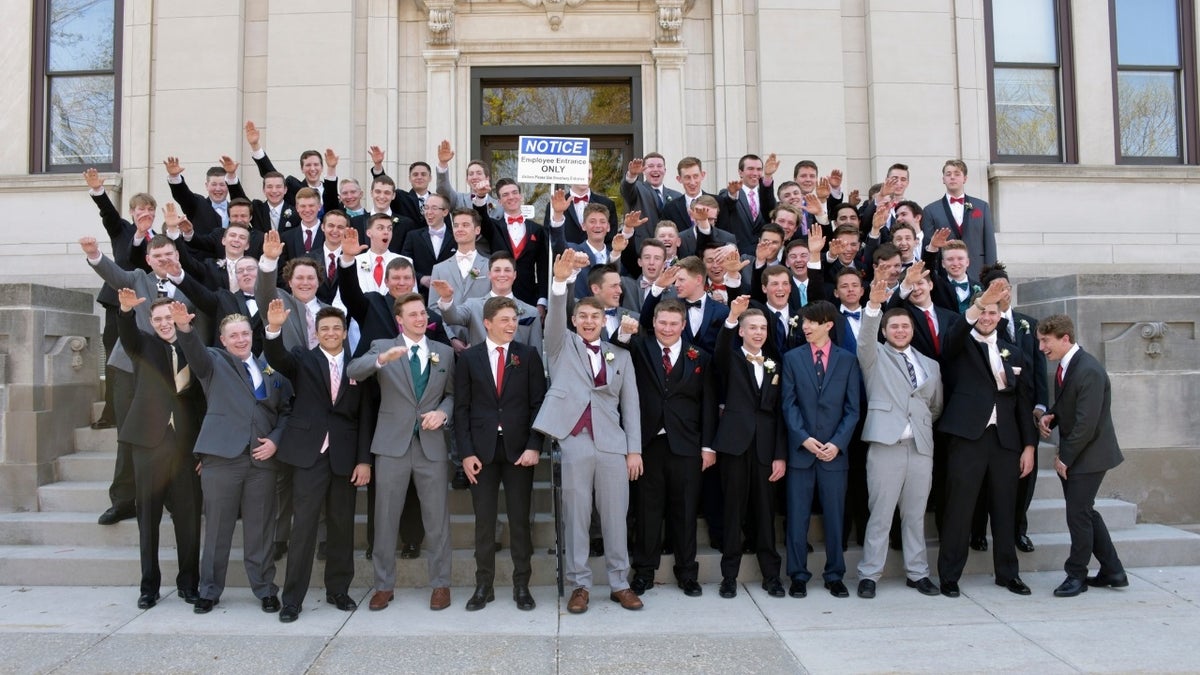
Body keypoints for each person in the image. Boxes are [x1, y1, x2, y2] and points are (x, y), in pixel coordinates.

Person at [533, 252, 644, 614]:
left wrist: (634, 450)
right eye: (582, 316)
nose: (588, 321)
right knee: (576, 515)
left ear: (603, 320)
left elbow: (631, 407)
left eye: (595, 316)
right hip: (574, 438)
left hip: (613, 442)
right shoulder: (561, 345)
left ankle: (619, 582)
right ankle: (579, 584)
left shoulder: (620, 356)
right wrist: (559, 285)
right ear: (574, 320)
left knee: (615, 515)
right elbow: (553, 323)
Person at [174, 308, 292, 614]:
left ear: (252, 336)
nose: (240, 340)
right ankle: (209, 590)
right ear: (223, 341)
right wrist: (185, 329)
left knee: (261, 528)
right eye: (233, 335)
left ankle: (265, 588)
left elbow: (286, 411)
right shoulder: (213, 361)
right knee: (217, 528)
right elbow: (194, 352)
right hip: (222, 458)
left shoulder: (271, 369)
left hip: (261, 461)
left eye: (245, 334)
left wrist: (276, 441)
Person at [263, 301, 371, 623]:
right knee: (305, 527)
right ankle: (293, 598)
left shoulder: (357, 367)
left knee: (341, 525)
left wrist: (364, 461)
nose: (331, 333)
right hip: (308, 455)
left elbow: (365, 417)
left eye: (336, 328)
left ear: (344, 332)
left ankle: (338, 589)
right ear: (316, 332)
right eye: (324, 328)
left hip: (344, 457)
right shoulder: (302, 359)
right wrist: (273, 330)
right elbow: (276, 357)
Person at [348, 293, 456, 612]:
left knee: (437, 520)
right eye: (413, 314)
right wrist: (380, 360)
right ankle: (383, 585)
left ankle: (441, 584)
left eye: (423, 313)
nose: (420, 319)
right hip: (392, 445)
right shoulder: (382, 347)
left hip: (431, 446)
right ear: (400, 319)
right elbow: (354, 371)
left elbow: (453, 395)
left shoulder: (445, 353)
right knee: (385, 518)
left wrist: (444, 413)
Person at [935, 280, 1037, 598]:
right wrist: (976, 306)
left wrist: (1029, 446)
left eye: (992, 312)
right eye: (982, 311)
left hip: (1005, 441)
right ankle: (950, 575)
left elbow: (1023, 402)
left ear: (999, 315)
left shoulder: (1014, 351)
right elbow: (950, 339)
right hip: (968, 438)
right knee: (960, 509)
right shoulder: (961, 344)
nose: (987, 317)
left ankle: (1008, 574)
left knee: (1006, 510)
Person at [618, 299, 718, 597]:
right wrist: (625, 332)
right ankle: (644, 572)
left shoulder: (700, 356)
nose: (668, 328)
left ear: (683, 326)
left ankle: (687, 573)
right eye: (663, 322)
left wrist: (708, 446)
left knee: (685, 511)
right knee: (647, 511)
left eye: (674, 324)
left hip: (686, 445)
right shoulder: (639, 348)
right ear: (655, 322)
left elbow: (708, 405)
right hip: (647, 443)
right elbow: (616, 348)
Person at [112, 289, 204, 610]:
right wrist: (124, 312)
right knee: (148, 518)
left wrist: (202, 452)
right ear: (151, 322)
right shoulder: (143, 345)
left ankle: (188, 584)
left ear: (178, 320)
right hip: (148, 443)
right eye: (159, 319)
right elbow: (128, 334)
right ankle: (149, 587)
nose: (165, 324)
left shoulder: (193, 348)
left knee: (189, 518)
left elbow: (202, 402)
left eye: (170, 318)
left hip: (184, 447)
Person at [454, 296, 547, 611]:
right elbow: (462, 409)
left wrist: (535, 446)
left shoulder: (528, 355)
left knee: (520, 520)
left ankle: (522, 585)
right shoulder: (469, 359)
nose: (511, 325)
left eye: (514, 319)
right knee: (484, 521)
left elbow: (538, 404)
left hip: (520, 451)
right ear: (487, 323)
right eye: (505, 319)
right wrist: (465, 454)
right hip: (482, 452)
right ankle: (484, 585)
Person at [854, 279, 943, 599]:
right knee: (880, 513)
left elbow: (934, 407)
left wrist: (917, 425)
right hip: (885, 446)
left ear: (913, 330)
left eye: (905, 326)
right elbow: (864, 339)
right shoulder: (874, 356)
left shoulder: (930, 365)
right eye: (894, 326)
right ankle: (869, 573)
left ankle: (917, 573)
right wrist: (874, 307)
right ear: (886, 330)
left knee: (915, 514)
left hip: (920, 448)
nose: (901, 330)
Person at [1037, 314, 1128, 597]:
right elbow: (1073, 404)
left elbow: (1086, 423)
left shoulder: (1087, 369)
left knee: (1078, 515)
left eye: (1046, 341)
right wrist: (1053, 415)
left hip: (1090, 456)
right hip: (1083, 453)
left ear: (1065, 339)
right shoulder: (1069, 365)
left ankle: (1076, 575)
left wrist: (1064, 457)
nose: (1042, 347)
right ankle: (1113, 570)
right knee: (1085, 512)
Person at [83, 168, 153, 521]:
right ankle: (123, 498)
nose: (145, 216)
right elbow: (110, 220)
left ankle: (159, 495)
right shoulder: (127, 234)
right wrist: (98, 191)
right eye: (140, 211)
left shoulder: (165, 250)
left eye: (149, 212)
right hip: (126, 334)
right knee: (127, 429)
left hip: (160, 358)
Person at [780, 300, 861, 599]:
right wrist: (803, 438)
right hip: (801, 452)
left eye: (812, 322)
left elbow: (853, 409)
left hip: (834, 454)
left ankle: (834, 574)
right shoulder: (791, 358)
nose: (806, 327)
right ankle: (798, 575)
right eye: (803, 322)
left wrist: (837, 444)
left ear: (828, 324)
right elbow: (787, 403)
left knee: (835, 517)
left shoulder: (847, 360)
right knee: (797, 516)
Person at [712, 296, 787, 599]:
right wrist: (732, 317)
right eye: (752, 327)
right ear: (741, 331)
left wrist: (780, 455)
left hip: (766, 450)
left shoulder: (774, 365)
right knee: (733, 512)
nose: (758, 333)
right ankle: (729, 576)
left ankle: (772, 576)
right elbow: (719, 349)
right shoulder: (730, 358)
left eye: (763, 328)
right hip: (734, 446)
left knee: (765, 514)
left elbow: (779, 414)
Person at [474, 178, 553, 310]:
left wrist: (542, 301)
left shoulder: (536, 230)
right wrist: (481, 196)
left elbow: (542, 268)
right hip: (498, 296)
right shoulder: (494, 227)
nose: (511, 197)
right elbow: (480, 216)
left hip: (529, 298)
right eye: (505, 194)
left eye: (514, 192)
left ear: (521, 196)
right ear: (499, 201)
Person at [922, 160, 996, 272]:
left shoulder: (982, 207)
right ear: (943, 179)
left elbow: (989, 243)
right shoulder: (930, 210)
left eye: (957, 174)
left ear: (965, 178)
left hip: (977, 271)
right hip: (944, 274)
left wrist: (992, 273)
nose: (952, 177)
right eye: (948, 174)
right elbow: (928, 246)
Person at [717, 153, 780, 255]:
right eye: (750, 169)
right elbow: (728, 203)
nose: (755, 173)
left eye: (759, 169)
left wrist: (767, 176)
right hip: (737, 254)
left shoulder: (766, 195)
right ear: (740, 172)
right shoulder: (728, 193)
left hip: (763, 253)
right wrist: (733, 194)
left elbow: (770, 211)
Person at [620, 153, 683, 227]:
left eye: (659, 166)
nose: (655, 169)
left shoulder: (677, 196)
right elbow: (627, 188)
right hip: (644, 238)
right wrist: (631, 175)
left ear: (664, 170)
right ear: (643, 170)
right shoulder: (637, 188)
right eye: (651, 166)